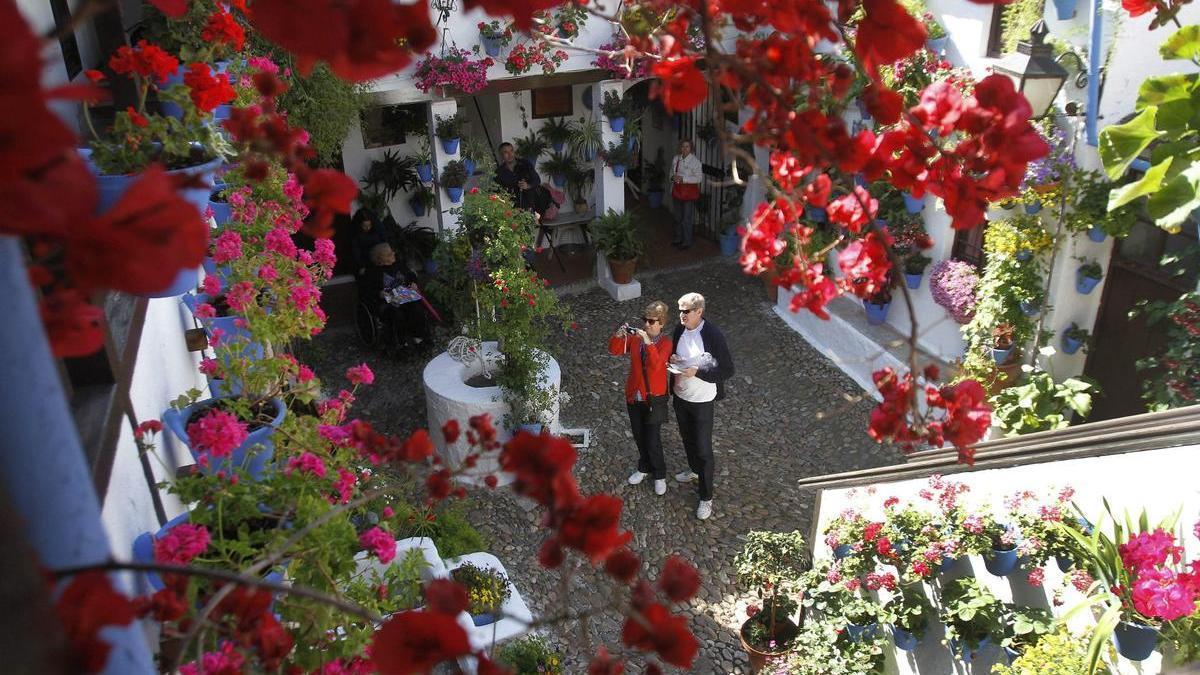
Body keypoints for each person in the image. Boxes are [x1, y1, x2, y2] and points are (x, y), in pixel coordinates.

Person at [669, 292, 734, 520]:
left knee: (704, 449)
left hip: (702, 401)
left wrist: (697, 372)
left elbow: (727, 370)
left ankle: (706, 497)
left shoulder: (713, 335)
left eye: (686, 311)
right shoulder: (679, 329)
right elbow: (674, 354)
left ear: (699, 311)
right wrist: (673, 359)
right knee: (687, 438)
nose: (682, 315)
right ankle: (694, 470)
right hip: (681, 396)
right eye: (680, 310)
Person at [608, 301, 673, 496]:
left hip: (654, 398)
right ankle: (644, 467)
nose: (646, 324)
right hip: (634, 395)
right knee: (639, 435)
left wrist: (648, 342)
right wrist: (618, 336)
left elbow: (657, 365)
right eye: (645, 320)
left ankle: (659, 474)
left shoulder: (666, 343)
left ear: (661, 323)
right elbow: (615, 350)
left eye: (652, 321)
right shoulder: (636, 340)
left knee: (652, 438)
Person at [360, 242, 434, 350]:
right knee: (397, 315)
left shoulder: (399, 265)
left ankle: (419, 339)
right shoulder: (372, 272)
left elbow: (411, 275)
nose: (393, 254)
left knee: (417, 310)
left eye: (392, 252)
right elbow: (368, 291)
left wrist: (413, 283)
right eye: (389, 254)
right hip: (387, 303)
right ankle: (401, 344)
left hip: (405, 297)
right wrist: (379, 293)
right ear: (380, 259)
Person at [495, 142, 556, 219]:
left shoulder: (525, 164)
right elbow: (497, 192)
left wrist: (528, 186)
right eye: (506, 152)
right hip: (512, 210)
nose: (510, 154)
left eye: (511, 151)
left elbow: (537, 180)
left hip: (530, 205)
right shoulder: (499, 172)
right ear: (501, 155)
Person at [669, 139, 702, 249]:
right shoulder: (676, 158)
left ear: (691, 148)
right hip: (677, 190)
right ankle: (678, 238)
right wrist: (673, 177)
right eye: (683, 146)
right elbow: (671, 173)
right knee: (677, 217)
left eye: (687, 146)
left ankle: (687, 241)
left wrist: (684, 179)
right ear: (680, 147)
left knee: (686, 218)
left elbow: (699, 178)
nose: (685, 148)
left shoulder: (695, 162)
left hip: (688, 193)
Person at [351, 208, 397, 277]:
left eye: (369, 225)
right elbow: (356, 252)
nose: (368, 228)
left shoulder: (377, 226)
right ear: (359, 224)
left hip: (382, 253)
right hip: (368, 259)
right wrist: (362, 265)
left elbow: (385, 238)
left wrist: (386, 253)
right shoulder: (356, 235)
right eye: (364, 226)